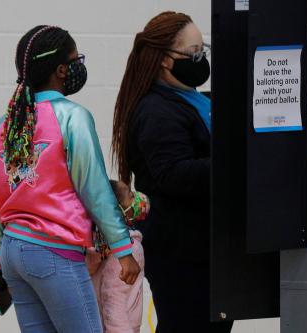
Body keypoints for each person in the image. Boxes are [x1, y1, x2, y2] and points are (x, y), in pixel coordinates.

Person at [0, 25, 140, 333]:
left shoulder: (4, 125)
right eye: (75, 59)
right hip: (53, 251)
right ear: (60, 69)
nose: (79, 66)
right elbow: (93, 189)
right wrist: (123, 249)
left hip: (13, 252)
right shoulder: (72, 116)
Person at [112, 12, 234, 333]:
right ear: (166, 60)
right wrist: (235, 164)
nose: (200, 59)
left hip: (206, 249)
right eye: (193, 53)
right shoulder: (156, 111)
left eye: (202, 50)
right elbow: (174, 174)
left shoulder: (192, 99)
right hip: (182, 253)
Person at [86, 180, 149, 333]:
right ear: (118, 210)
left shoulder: (98, 245)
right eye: (131, 196)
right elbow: (114, 300)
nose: (139, 198)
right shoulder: (128, 250)